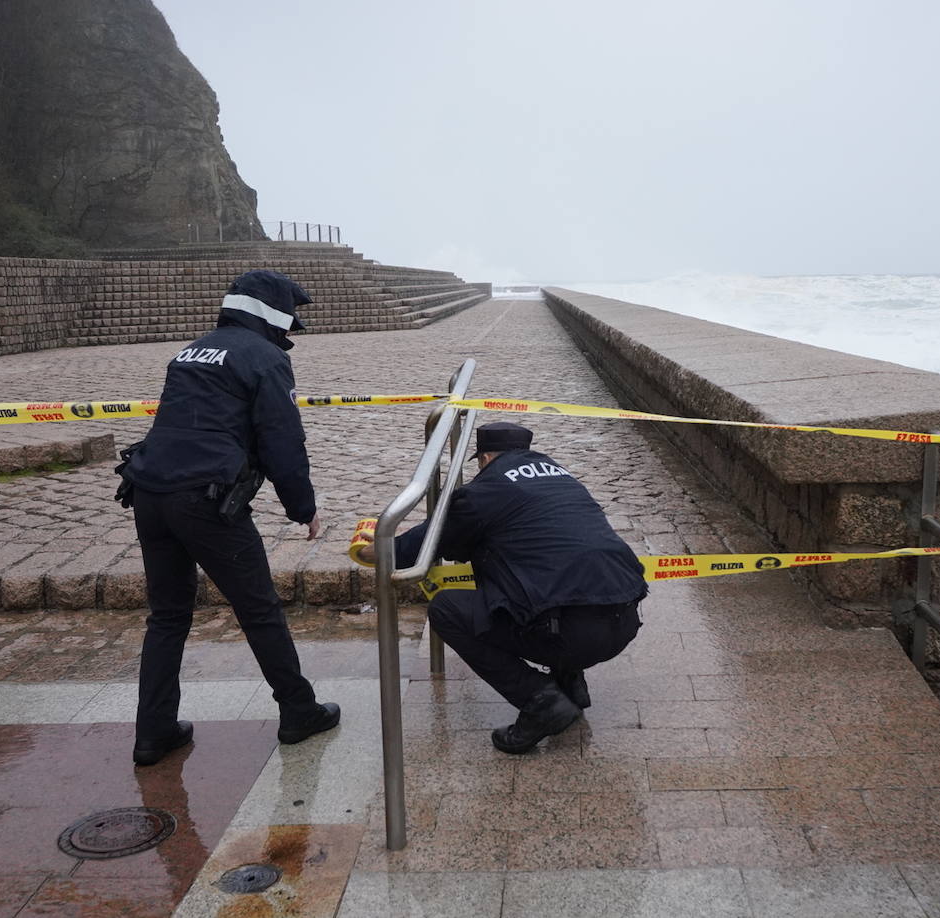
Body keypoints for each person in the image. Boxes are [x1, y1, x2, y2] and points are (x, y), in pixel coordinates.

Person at [117, 269, 340, 767]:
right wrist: (302, 507)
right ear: (274, 316)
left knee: (168, 617)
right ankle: (299, 710)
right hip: (204, 500)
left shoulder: (191, 351)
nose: (291, 333)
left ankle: (153, 732)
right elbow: (282, 440)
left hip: (149, 491)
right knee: (259, 609)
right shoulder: (264, 358)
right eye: (290, 322)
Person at [359, 422, 645, 753]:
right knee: (545, 577)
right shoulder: (561, 476)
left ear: (485, 458)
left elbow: (428, 543)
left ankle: (541, 702)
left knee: (446, 609)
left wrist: (381, 549)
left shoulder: (487, 489)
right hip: (623, 623)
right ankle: (570, 683)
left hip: (569, 632)